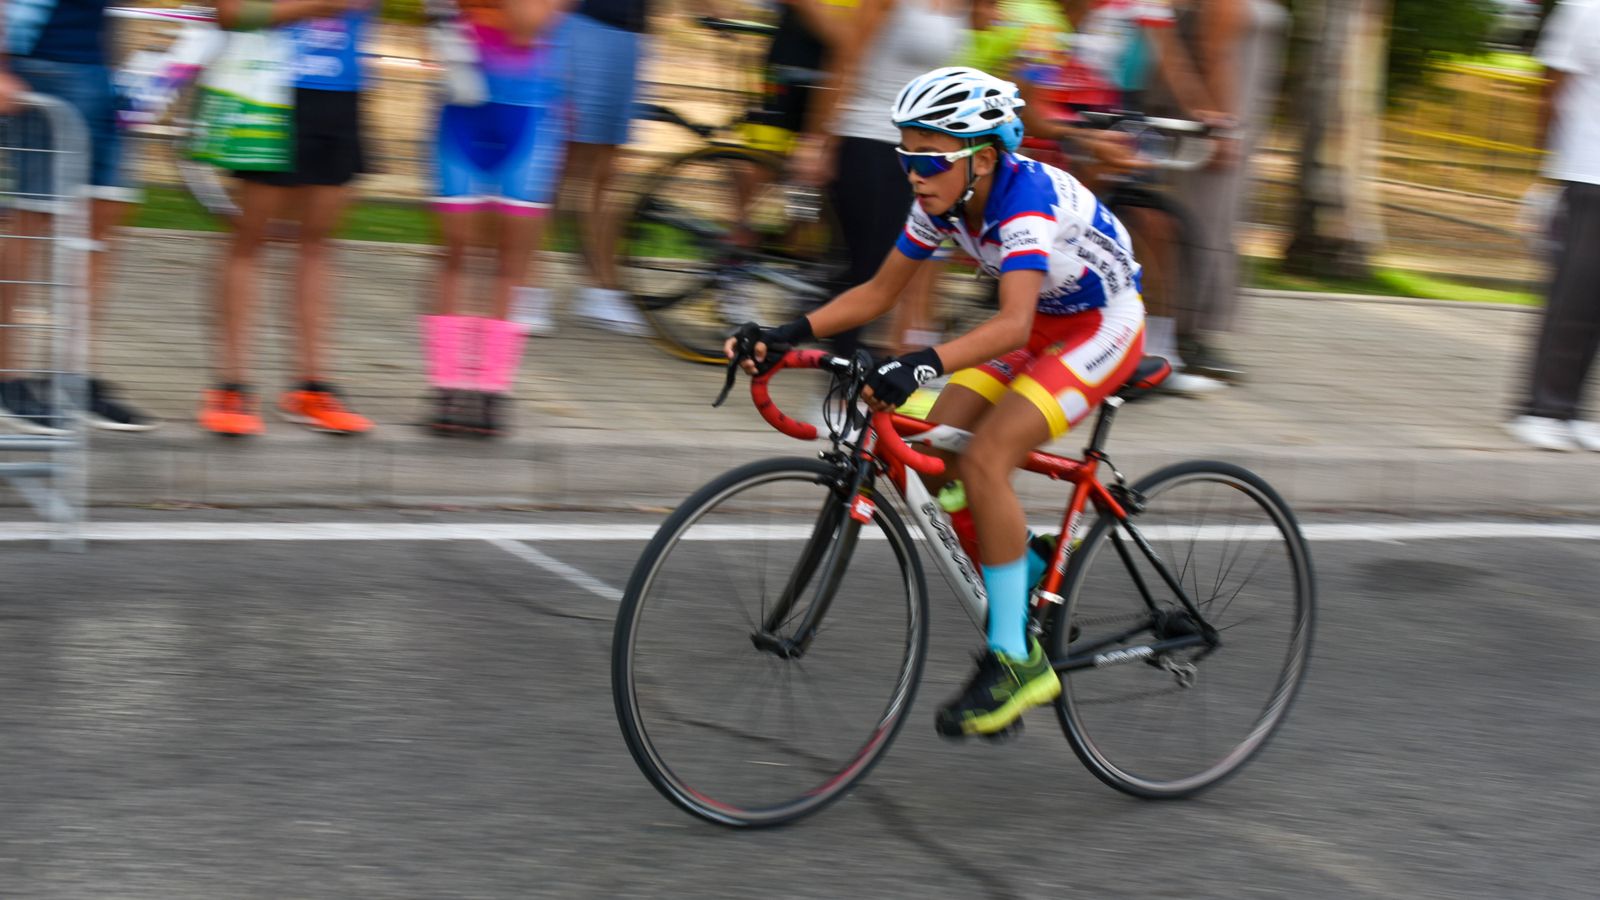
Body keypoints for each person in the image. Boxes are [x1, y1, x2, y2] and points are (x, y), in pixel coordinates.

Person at [731, 67, 1147, 737]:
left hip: (1101, 326)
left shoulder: (1023, 201)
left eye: (926, 158)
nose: (913, 173)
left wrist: (918, 363)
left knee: (985, 459)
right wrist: (786, 333)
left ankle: (1017, 659)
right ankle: (1025, 562)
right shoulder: (940, 201)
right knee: (930, 447)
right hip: (1042, 321)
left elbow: (1009, 327)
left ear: (982, 158)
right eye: (904, 157)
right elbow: (876, 293)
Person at [200, 0, 375, 436]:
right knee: (250, 239)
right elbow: (227, 11)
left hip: (340, 92)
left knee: (318, 242)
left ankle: (312, 388)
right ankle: (231, 387)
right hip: (270, 86)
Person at [1, 0, 157, 432]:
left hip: (99, 65)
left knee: (104, 214)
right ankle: (5, 377)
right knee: (34, 218)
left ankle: (73, 376)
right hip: (47, 62)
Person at [790, 0, 969, 361]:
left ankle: (854, 367)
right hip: (866, 137)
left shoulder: (962, 6)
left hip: (915, 151)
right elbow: (845, 59)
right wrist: (817, 140)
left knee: (890, 270)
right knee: (868, 273)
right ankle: (839, 390)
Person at [424, 0, 566, 437]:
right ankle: (445, 384)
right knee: (455, 250)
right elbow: (433, 23)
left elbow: (527, 25)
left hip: (527, 118)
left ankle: (491, 387)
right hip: (461, 112)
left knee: (510, 259)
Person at [1160, 0, 1286, 384]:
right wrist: (1221, 124)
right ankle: (1183, 336)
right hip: (1218, 117)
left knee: (1216, 220)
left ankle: (1188, 334)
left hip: (1236, 115)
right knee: (1203, 221)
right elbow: (1215, 53)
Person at [1506, 0, 1600, 452]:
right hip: (1586, 172)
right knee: (1573, 298)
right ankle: (1540, 408)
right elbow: (1551, 90)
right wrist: (1546, 173)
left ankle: (1574, 411)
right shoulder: (1584, 9)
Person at [543, 0, 651, 337]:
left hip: (629, 32)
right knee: (563, 162)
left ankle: (601, 289)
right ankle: (526, 286)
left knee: (608, 172)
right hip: (580, 24)